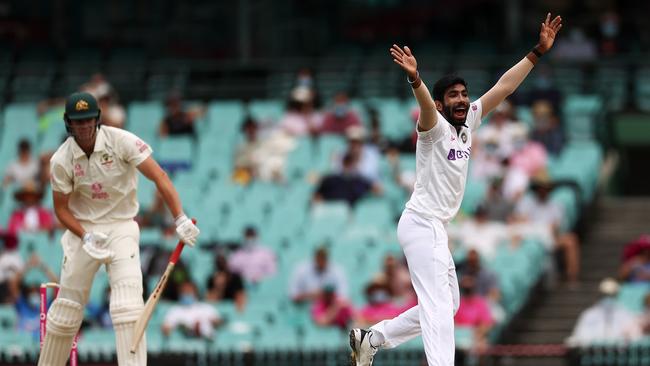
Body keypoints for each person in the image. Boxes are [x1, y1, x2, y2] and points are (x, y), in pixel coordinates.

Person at [349, 13, 563, 366]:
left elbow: (504, 88)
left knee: (447, 305)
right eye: (453, 96)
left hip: (435, 227)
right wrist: (416, 79)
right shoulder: (432, 128)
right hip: (422, 223)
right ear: (440, 103)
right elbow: (425, 108)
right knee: (437, 307)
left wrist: (537, 52)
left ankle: (372, 338)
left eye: (464, 94)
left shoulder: (469, 124)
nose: (462, 100)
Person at [38, 92, 200, 366]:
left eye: (89, 120)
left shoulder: (121, 140)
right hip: (84, 231)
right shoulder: (62, 159)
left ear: (97, 119)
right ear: (68, 124)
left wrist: (179, 217)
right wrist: (85, 235)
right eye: (78, 122)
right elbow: (61, 209)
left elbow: (158, 175)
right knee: (66, 312)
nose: (85, 127)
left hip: (122, 226)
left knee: (127, 307)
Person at [566, 278, 641, 346]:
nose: (608, 298)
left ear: (616, 295)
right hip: (593, 353)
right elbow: (580, 335)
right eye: (605, 295)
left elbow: (635, 336)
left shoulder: (625, 314)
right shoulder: (589, 314)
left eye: (611, 295)